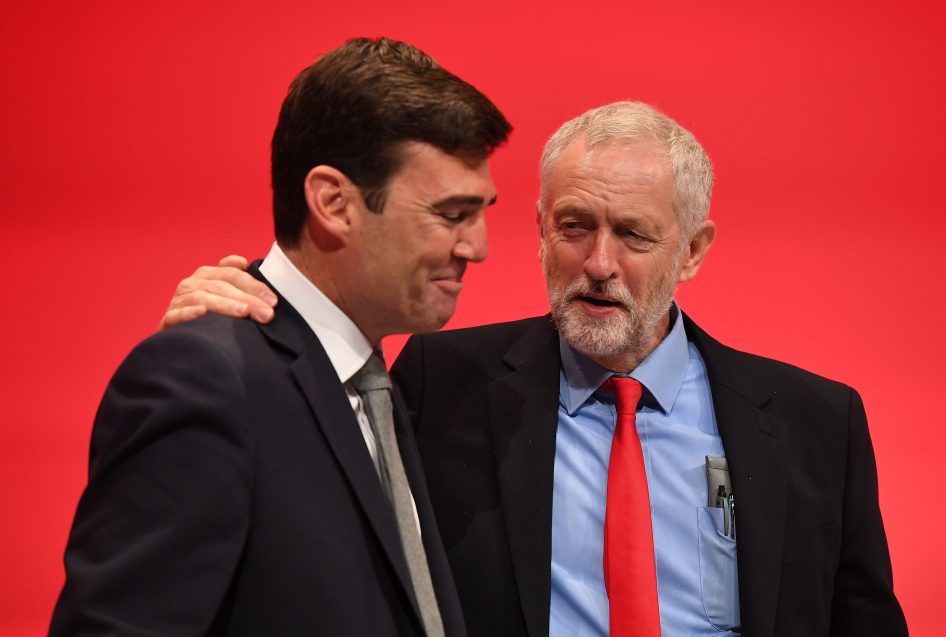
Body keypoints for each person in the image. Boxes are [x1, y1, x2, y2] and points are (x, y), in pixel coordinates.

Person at [160, 102, 908, 636]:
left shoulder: (816, 423)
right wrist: (241, 328)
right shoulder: (439, 381)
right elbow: (303, 500)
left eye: (636, 235)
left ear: (694, 249)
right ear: (541, 231)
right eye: (575, 227)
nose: (599, 263)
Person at [51, 37, 511, 636]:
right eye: (451, 215)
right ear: (333, 202)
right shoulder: (203, 381)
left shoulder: (377, 386)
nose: (477, 247)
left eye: (481, 213)